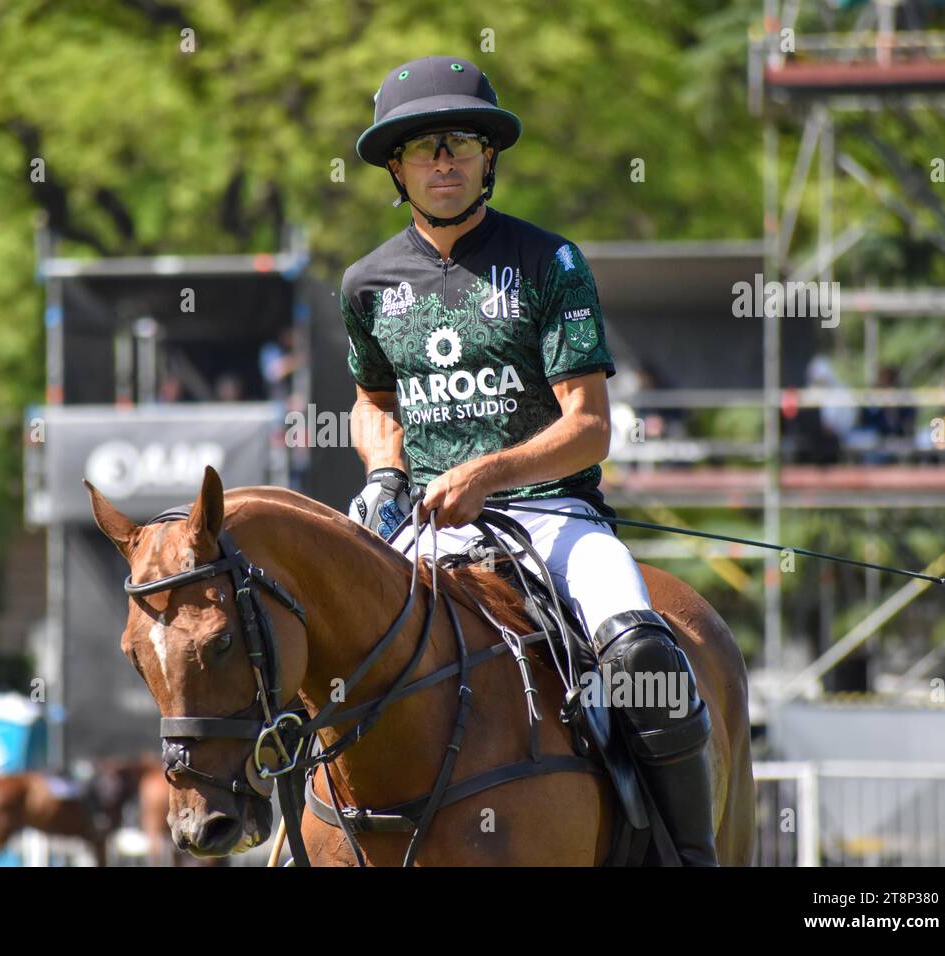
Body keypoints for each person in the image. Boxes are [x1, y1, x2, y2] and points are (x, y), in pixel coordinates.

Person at [339, 56, 717, 865]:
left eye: (459, 142)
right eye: (421, 148)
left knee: (642, 656)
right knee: (321, 638)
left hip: (552, 516)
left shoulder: (551, 262)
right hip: (428, 529)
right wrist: (382, 474)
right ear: (396, 169)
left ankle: (690, 856)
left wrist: (485, 475)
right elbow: (374, 402)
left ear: (488, 158)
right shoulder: (366, 284)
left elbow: (587, 426)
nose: (442, 160)